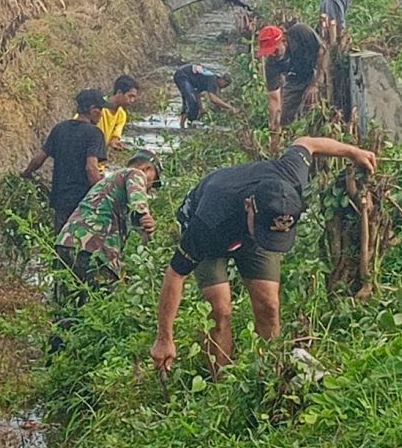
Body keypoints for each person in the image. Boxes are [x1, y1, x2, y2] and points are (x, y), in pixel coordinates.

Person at [149, 136, 376, 375]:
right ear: (249, 205)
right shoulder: (209, 221)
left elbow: (307, 142)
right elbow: (175, 274)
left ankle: (268, 377)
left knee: (269, 304)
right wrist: (164, 337)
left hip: (253, 229)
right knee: (220, 309)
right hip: (214, 232)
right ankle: (221, 382)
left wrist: (353, 152)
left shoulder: (290, 175)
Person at [55, 148, 162, 291]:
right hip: (94, 248)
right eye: (153, 182)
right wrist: (144, 215)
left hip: (66, 242)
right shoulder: (136, 173)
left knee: (65, 304)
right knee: (99, 302)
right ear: (147, 168)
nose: (150, 189)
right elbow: (138, 199)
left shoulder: (110, 182)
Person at [21, 89, 108, 231]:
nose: (102, 114)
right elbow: (91, 168)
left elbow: (39, 159)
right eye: (101, 109)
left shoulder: (60, 128)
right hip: (82, 202)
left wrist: (26, 173)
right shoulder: (94, 133)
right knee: (79, 241)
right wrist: (103, 193)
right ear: (92, 110)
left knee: (60, 239)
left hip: (60, 199)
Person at [257, 23, 327, 150]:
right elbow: (274, 98)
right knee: (284, 115)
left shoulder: (301, 32)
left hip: (317, 71)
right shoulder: (272, 64)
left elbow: (322, 51)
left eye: (275, 50)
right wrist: (274, 128)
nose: (273, 55)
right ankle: (286, 142)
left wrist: (315, 84)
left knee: (311, 104)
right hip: (295, 78)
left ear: (283, 40)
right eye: (269, 53)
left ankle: (313, 140)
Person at [173, 63, 238, 127]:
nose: (223, 87)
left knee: (188, 100)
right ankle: (190, 122)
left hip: (186, 78)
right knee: (191, 100)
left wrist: (201, 108)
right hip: (183, 75)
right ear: (222, 80)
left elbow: (197, 93)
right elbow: (213, 99)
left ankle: (182, 125)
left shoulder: (206, 80)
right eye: (225, 85)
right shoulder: (212, 79)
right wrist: (230, 107)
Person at [99, 76, 140, 153]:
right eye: (130, 96)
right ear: (119, 92)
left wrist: (116, 143)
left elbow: (114, 138)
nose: (132, 100)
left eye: (134, 97)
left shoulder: (121, 115)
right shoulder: (98, 110)